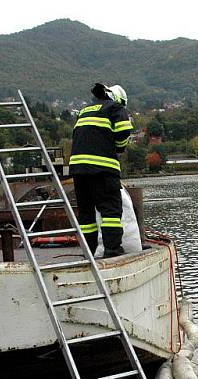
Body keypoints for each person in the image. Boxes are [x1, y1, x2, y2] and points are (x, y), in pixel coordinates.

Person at [70, 82, 133, 258]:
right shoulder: (115, 107)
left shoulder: (85, 110)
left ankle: (88, 253)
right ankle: (112, 250)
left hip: (78, 168)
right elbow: (124, 130)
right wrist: (119, 147)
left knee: (86, 213)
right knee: (110, 211)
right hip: (103, 168)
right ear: (119, 99)